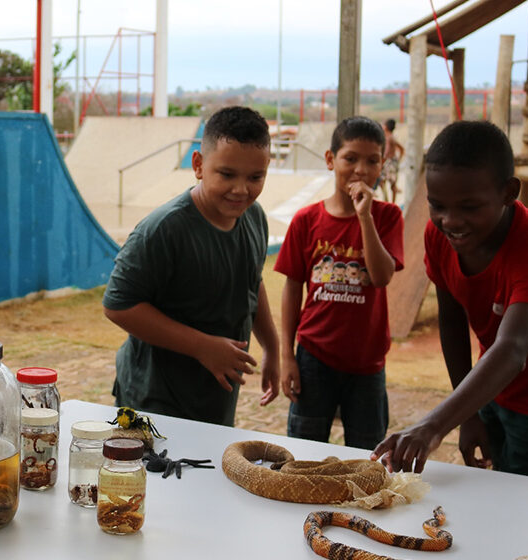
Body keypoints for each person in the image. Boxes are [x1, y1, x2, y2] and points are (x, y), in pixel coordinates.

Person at [371, 121, 528, 480]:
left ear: (509, 192)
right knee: (490, 484)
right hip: (489, 384)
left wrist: (432, 426)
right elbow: (452, 321)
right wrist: (468, 415)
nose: (450, 221)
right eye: (437, 205)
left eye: (470, 207)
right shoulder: (438, 235)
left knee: (524, 495)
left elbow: (513, 349)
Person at [102, 106, 280, 427]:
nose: (241, 189)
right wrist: (203, 347)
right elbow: (118, 305)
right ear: (198, 165)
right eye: (227, 174)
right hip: (155, 401)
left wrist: (272, 347)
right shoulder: (164, 229)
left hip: (215, 400)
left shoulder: (254, 218)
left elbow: (253, 282)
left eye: (255, 177)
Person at [274, 116, 404, 450]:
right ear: (331, 160)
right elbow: (292, 288)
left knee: (366, 455)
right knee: (304, 452)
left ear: (382, 165)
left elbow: (381, 277)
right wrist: (286, 355)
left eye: (372, 161)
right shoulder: (307, 220)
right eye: (351, 158)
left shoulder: (388, 217)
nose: (361, 169)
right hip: (314, 358)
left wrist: (365, 217)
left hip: (367, 362)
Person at [377, 119, 404, 204]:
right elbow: (401, 149)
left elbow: (387, 152)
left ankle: (391, 202)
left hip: (389, 163)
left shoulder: (389, 137)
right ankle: (389, 201)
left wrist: (382, 161)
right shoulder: (388, 137)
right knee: (387, 182)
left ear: (386, 127)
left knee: (389, 183)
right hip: (391, 162)